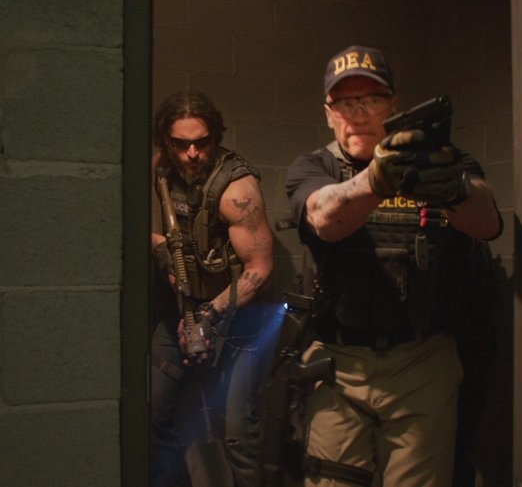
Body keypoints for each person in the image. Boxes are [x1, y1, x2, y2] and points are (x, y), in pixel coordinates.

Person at [284, 45, 502, 487]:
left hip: (423, 360)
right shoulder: (315, 166)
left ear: (393, 105)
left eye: (371, 100)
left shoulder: (441, 160)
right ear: (328, 113)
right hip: (339, 363)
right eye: (345, 102)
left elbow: (488, 222)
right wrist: (378, 178)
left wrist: (454, 188)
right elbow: (324, 217)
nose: (358, 115)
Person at [150, 90, 274, 487]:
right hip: (181, 306)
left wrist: (208, 316)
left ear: (215, 137)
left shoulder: (238, 191)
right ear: (165, 141)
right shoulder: (161, 170)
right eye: (180, 144)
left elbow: (260, 269)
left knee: (238, 431)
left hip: (235, 315)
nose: (191, 154)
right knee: (151, 410)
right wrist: (163, 254)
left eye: (201, 143)